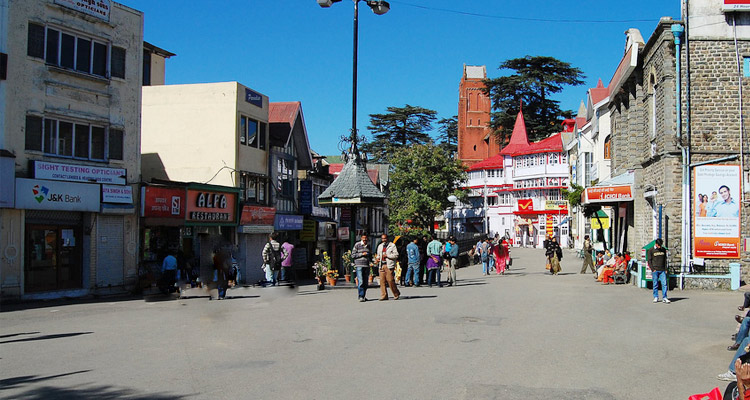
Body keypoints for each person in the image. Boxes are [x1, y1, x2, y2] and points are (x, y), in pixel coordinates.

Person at [375, 234, 400, 301]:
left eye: (385, 238)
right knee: (382, 281)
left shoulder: (392, 245)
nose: (384, 240)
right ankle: (384, 295)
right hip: (381, 265)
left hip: (389, 265)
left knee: (390, 280)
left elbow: (396, 255)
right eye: (382, 238)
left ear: (387, 239)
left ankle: (396, 293)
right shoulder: (380, 246)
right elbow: (378, 255)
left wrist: (387, 256)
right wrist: (377, 259)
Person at [648, 238, 670, 303]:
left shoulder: (663, 250)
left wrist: (666, 268)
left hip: (662, 270)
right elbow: (649, 260)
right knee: (655, 284)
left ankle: (664, 297)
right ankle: (656, 297)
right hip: (655, 270)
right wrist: (652, 269)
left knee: (664, 284)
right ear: (656, 244)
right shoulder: (651, 250)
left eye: (661, 245)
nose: (660, 247)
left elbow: (665, 260)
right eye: (659, 245)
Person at [352, 234, 372, 302]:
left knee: (365, 282)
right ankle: (360, 296)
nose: (365, 240)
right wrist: (362, 254)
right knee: (361, 281)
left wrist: (371, 260)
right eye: (363, 239)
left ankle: (363, 295)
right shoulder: (357, 245)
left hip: (366, 265)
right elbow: (353, 255)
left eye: (366, 239)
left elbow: (370, 254)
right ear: (361, 238)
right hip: (359, 265)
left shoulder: (368, 246)